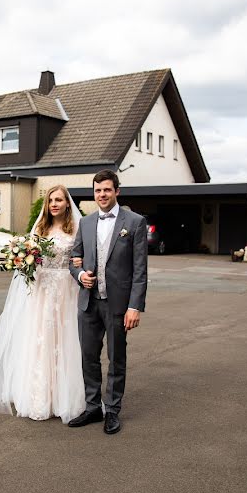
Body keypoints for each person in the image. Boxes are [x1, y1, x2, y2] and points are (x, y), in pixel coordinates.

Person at [0, 185, 86, 422]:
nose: (54, 204)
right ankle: (39, 396)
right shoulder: (40, 227)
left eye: (59, 200)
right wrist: (22, 261)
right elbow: (31, 259)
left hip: (66, 290)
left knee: (65, 341)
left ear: (68, 203)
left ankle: (65, 397)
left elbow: (80, 258)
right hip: (42, 292)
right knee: (40, 341)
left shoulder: (77, 228)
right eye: (51, 201)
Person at [68, 170, 148, 435]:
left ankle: (112, 410)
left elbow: (140, 270)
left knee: (116, 358)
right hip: (88, 303)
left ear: (117, 191)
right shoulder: (87, 222)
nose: (102, 195)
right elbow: (74, 257)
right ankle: (93, 407)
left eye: (106, 190)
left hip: (117, 304)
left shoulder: (134, 222)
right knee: (88, 358)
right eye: (97, 190)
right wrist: (80, 275)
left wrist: (134, 307)